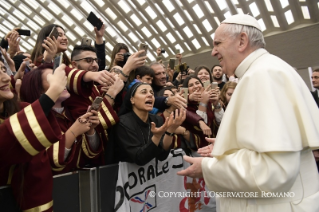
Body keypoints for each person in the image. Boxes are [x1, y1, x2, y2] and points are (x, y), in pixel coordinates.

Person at [178, 14, 319, 211]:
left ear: (242, 41)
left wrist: (208, 168)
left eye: (218, 43)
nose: (213, 52)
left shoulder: (262, 76)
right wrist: (230, 146)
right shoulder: (268, 69)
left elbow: (273, 171)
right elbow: (276, 142)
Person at [0, 60, 67, 212]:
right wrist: (53, 92)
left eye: (4, 70)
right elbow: (7, 140)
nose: (5, 78)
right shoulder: (23, 115)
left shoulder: (21, 110)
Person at [114, 82, 186, 166]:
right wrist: (157, 136)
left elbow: (162, 156)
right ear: (132, 100)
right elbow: (140, 158)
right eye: (144, 92)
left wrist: (170, 131)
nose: (150, 95)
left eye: (152, 93)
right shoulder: (123, 123)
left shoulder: (157, 120)